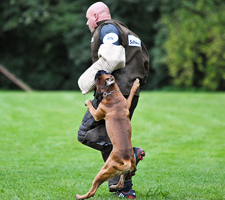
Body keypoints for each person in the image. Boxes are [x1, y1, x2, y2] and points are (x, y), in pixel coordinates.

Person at [77, 2, 149, 199]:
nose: (87, 23)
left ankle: (130, 155)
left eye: (88, 19)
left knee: (86, 134)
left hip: (114, 94)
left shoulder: (107, 28)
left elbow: (112, 57)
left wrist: (93, 81)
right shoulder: (129, 32)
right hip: (129, 93)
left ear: (96, 17)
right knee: (108, 136)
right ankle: (125, 188)